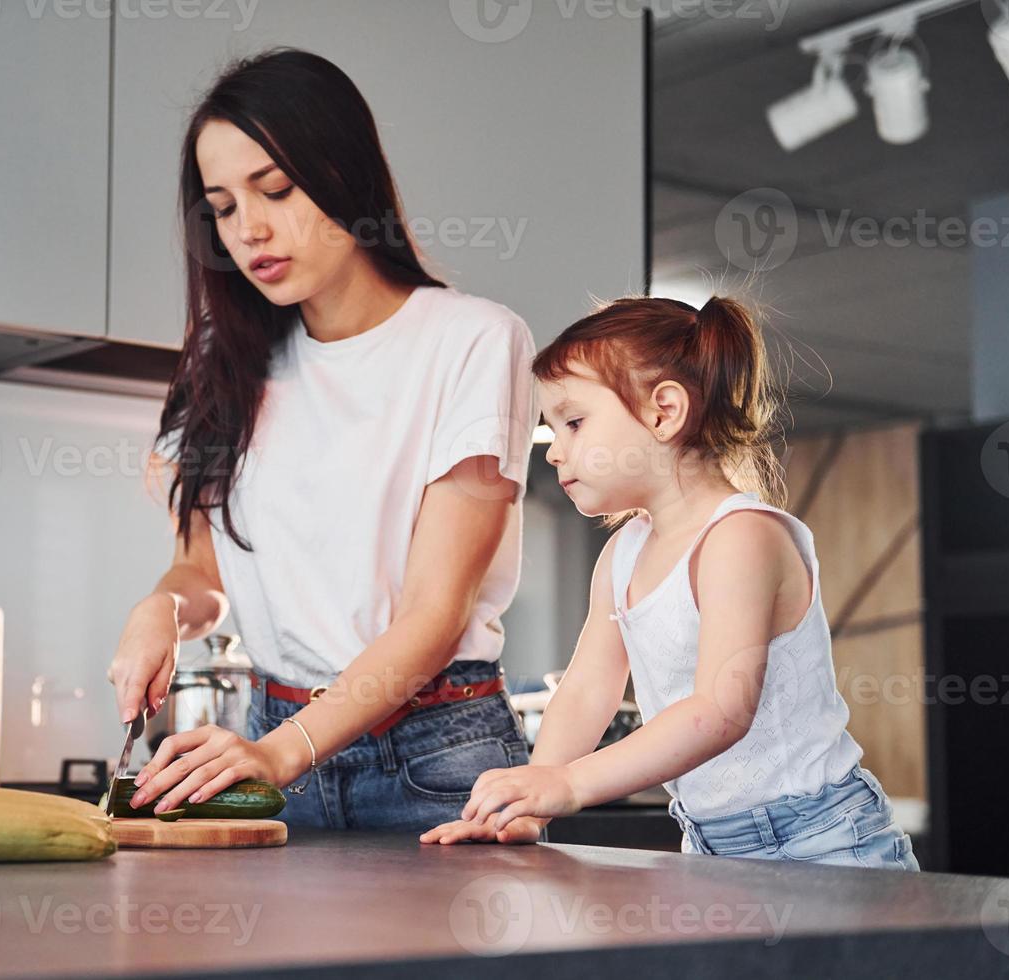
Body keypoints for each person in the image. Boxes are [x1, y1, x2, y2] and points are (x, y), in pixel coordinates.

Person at [106, 48, 537, 831]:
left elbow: (433, 616)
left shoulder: (473, 342)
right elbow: (201, 569)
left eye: (276, 189)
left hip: (435, 759)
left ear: (345, 175)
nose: (252, 229)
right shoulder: (224, 362)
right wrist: (160, 609)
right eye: (224, 207)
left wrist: (283, 752)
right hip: (272, 746)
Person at [422, 295, 919, 870]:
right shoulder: (622, 554)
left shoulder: (740, 538)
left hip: (824, 842)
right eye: (551, 428)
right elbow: (587, 691)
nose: (554, 451)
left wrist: (571, 784)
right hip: (709, 845)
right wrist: (534, 801)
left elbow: (719, 710)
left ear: (664, 411)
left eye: (574, 422)